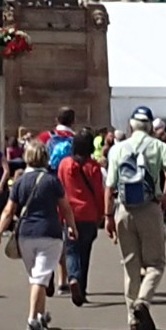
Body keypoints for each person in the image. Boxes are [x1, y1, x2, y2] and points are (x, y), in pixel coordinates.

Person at [105, 104, 166, 330]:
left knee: (131, 265)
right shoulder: (158, 146)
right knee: (155, 263)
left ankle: (133, 319)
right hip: (149, 208)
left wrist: (107, 216)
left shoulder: (117, 149)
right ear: (150, 127)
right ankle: (143, 301)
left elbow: (109, 186)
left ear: (130, 125)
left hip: (123, 209)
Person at [0, 135, 67, 330]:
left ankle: (41, 316)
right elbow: (65, 207)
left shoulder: (19, 182)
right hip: (49, 232)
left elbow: (8, 211)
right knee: (40, 278)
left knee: (37, 277)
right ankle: (32, 319)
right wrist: (72, 226)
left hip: (25, 234)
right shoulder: (52, 181)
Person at [59, 130, 107, 306]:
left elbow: (60, 191)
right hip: (89, 214)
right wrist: (102, 213)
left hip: (70, 212)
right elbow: (98, 193)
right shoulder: (93, 167)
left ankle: (73, 277)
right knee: (85, 252)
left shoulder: (64, 164)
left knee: (71, 250)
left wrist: (59, 214)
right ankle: (82, 288)